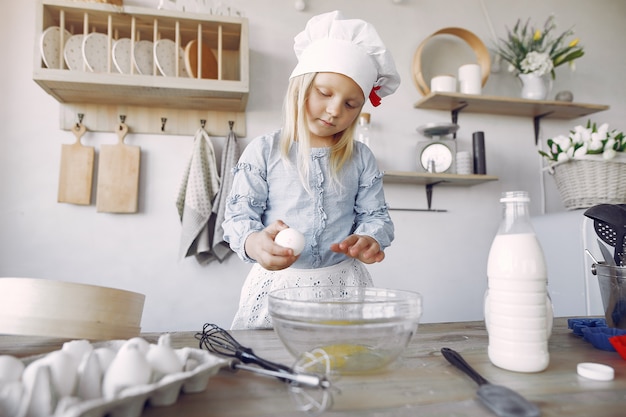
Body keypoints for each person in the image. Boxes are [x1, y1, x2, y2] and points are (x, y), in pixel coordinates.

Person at [222, 10, 400, 329]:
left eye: (351, 104)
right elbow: (238, 218)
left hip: (344, 288)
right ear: (301, 87)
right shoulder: (263, 151)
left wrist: (370, 238)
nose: (334, 111)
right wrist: (254, 242)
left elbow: (377, 217)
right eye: (324, 93)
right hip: (277, 289)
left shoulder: (361, 158)